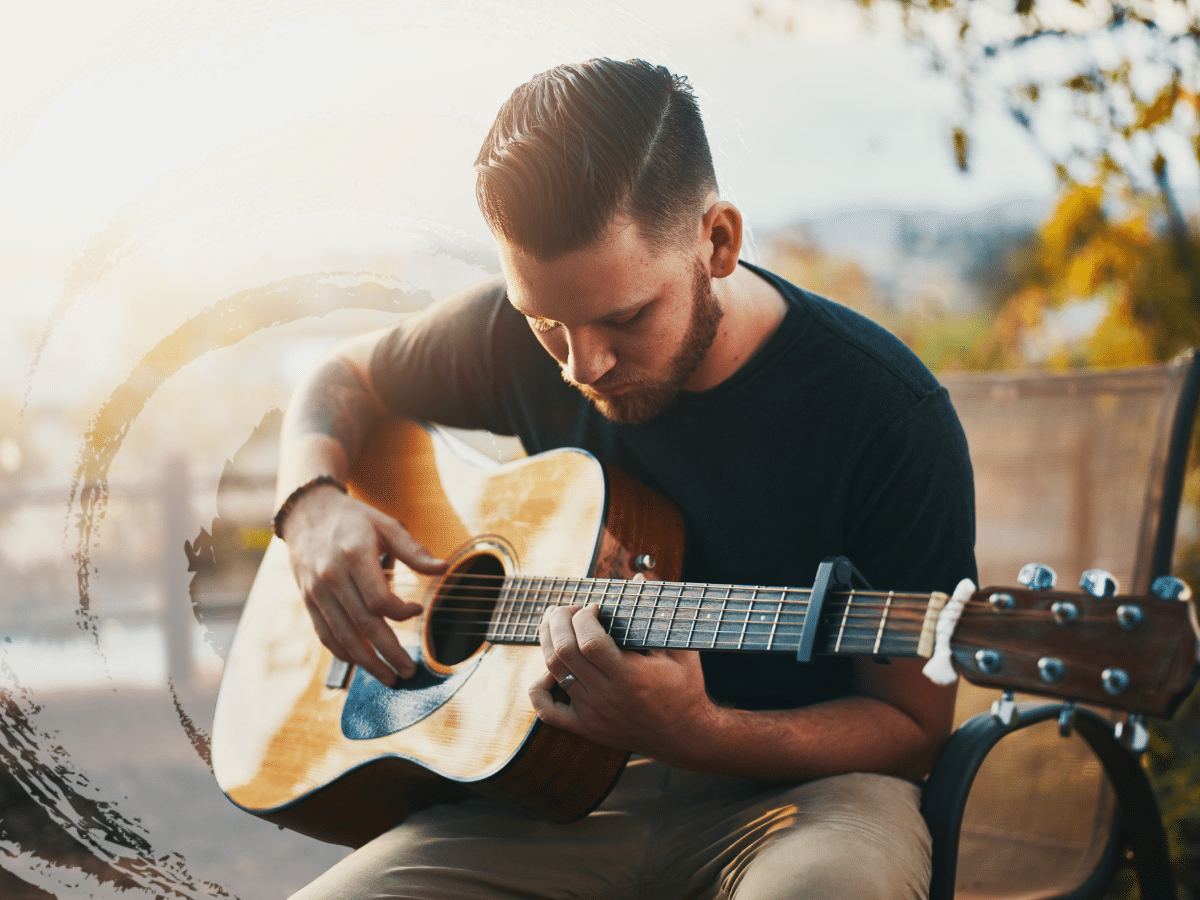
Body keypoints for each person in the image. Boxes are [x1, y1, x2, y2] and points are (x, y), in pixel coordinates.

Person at [274, 58, 976, 900]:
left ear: (717, 241)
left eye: (625, 317)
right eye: (546, 325)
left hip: (810, 797)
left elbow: (911, 730)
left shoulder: (885, 414)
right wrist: (310, 504)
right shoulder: (512, 332)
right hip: (551, 795)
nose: (583, 364)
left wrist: (698, 731)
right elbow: (341, 380)